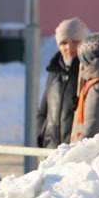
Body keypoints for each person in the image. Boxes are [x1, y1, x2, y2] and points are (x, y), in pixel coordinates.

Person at [37, 17, 88, 148]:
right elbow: (43, 111)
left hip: (74, 151)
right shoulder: (53, 72)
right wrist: (40, 135)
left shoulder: (88, 72)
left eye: (75, 42)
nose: (69, 47)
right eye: (63, 42)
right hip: (50, 150)